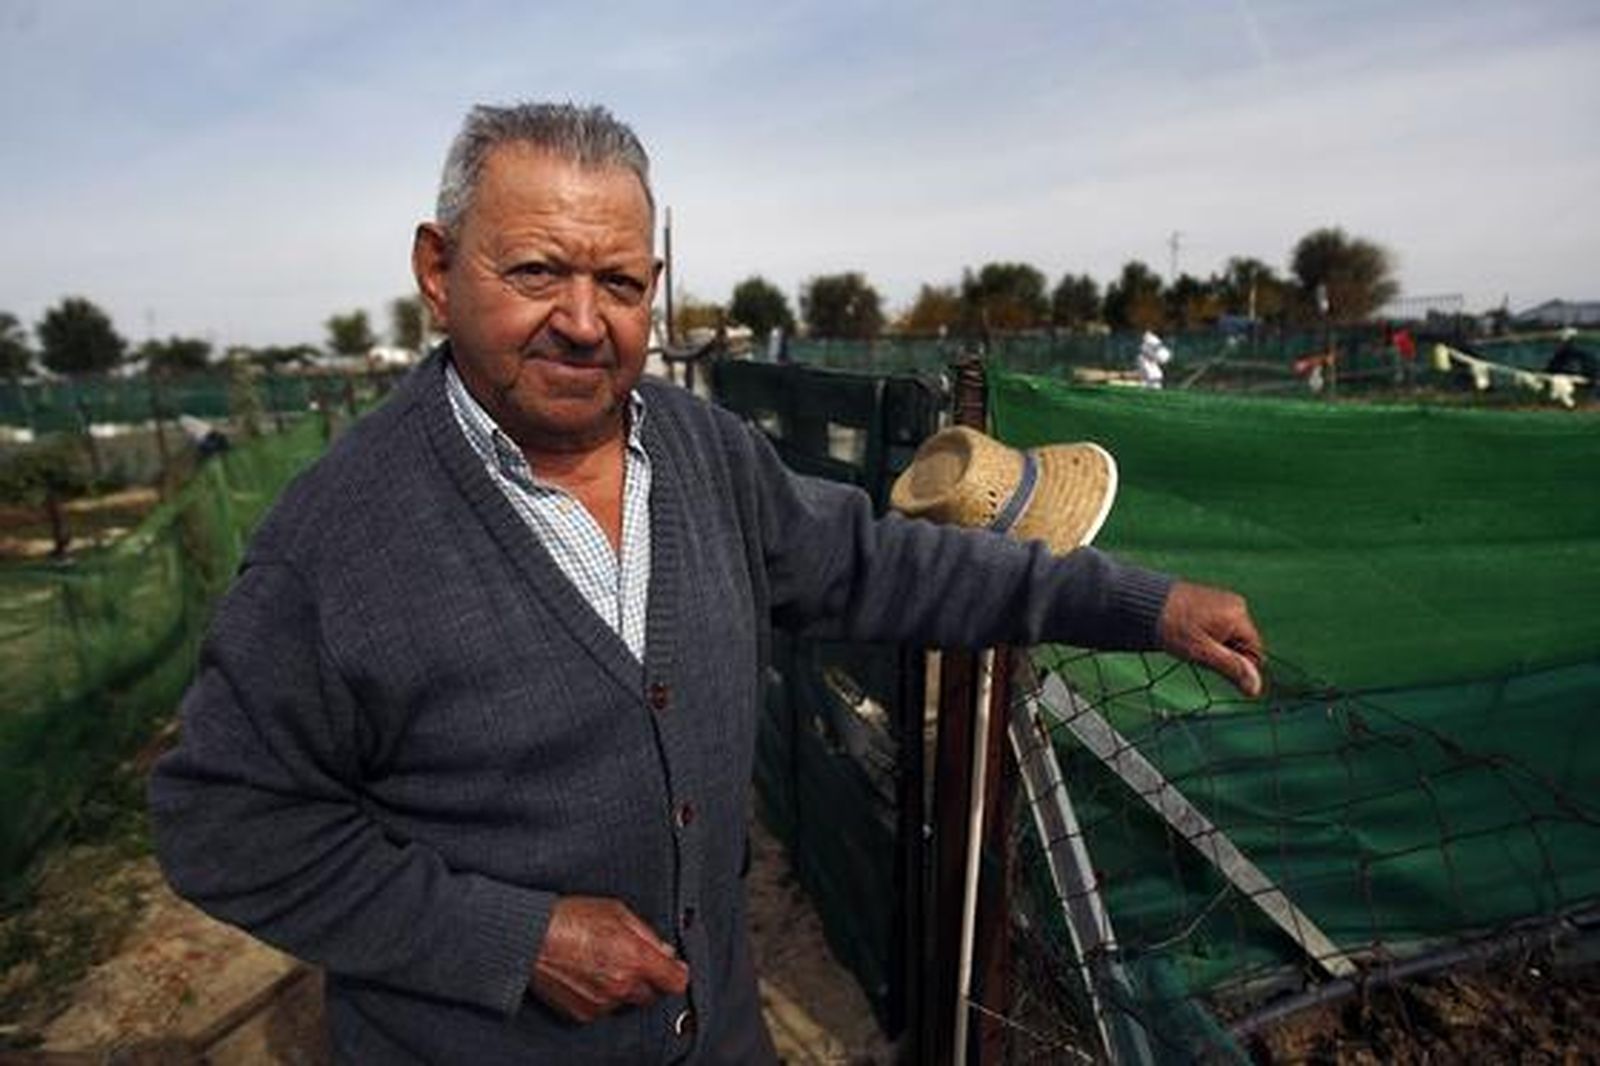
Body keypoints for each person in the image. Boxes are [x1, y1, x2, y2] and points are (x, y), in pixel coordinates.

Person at [149, 102, 1264, 1065]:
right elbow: (224, 824)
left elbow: (873, 563)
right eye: (536, 270)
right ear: (439, 272)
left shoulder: (701, 451)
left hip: (715, 1029)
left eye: (618, 282)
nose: (583, 322)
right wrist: (513, 939)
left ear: (655, 290)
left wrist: (1133, 603)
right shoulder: (339, 540)